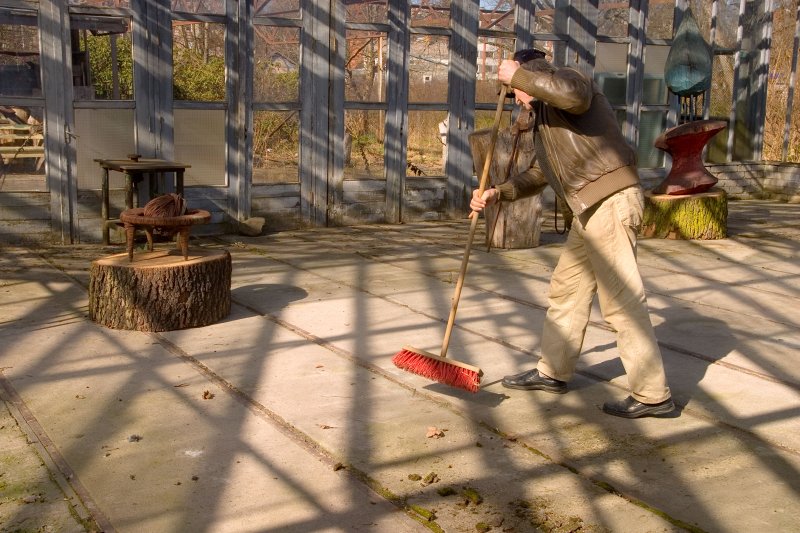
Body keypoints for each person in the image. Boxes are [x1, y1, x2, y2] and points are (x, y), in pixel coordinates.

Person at [470, 48, 675, 418]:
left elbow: (573, 96)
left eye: (516, 89)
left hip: (610, 199)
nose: (516, 98)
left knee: (621, 301)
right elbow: (540, 175)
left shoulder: (569, 81)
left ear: (531, 75)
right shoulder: (546, 120)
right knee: (567, 290)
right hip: (588, 209)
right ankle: (553, 371)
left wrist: (519, 76)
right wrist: (498, 192)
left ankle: (653, 395)